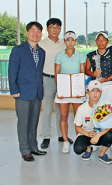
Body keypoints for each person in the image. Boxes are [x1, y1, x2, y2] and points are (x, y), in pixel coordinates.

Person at [8, 21, 47, 162]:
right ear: (27, 33)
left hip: (37, 92)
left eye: (38, 31)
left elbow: (38, 72)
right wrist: (14, 89)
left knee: (34, 121)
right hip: (22, 92)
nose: (35, 34)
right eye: (33, 30)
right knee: (23, 122)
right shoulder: (18, 50)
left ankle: (33, 146)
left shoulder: (42, 52)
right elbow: (12, 70)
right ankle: (25, 150)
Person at [85, 31, 112, 152]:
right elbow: (87, 71)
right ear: (96, 42)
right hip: (96, 87)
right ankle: (96, 139)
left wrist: (107, 79)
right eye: (99, 40)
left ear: (107, 41)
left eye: (103, 39)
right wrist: (93, 74)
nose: (101, 42)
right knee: (96, 113)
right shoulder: (91, 55)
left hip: (109, 86)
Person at [39, 18, 70, 149]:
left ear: (60, 29)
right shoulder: (41, 44)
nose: (55, 30)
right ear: (47, 29)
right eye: (52, 27)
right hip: (47, 79)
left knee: (61, 111)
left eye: (58, 27)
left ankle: (61, 135)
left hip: (62, 80)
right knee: (46, 110)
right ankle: (46, 137)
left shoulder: (65, 43)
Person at [54, 31, 86, 153]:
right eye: (68, 40)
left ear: (75, 41)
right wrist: (60, 89)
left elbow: (82, 73)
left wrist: (80, 90)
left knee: (78, 117)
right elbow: (57, 73)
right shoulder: (59, 55)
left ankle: (79, 140)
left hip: (77, 91)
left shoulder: (80, 55)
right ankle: (65, 141)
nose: (70, 42)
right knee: (63, 116)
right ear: (65, 41)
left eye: (73, 40)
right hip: (64, 90)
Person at [73, 80, 112, 164]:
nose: (95, 94)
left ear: (101, 92)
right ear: (87, 91)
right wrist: (88, 134)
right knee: (78, 149)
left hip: (100, 135)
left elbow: (110, 125)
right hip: (87, 134)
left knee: (110, 136)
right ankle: (88, 148)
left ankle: (102, 154)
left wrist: (98, 134)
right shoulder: (82, 108)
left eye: (97, 91)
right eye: (92, 91)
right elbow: (77, 127)